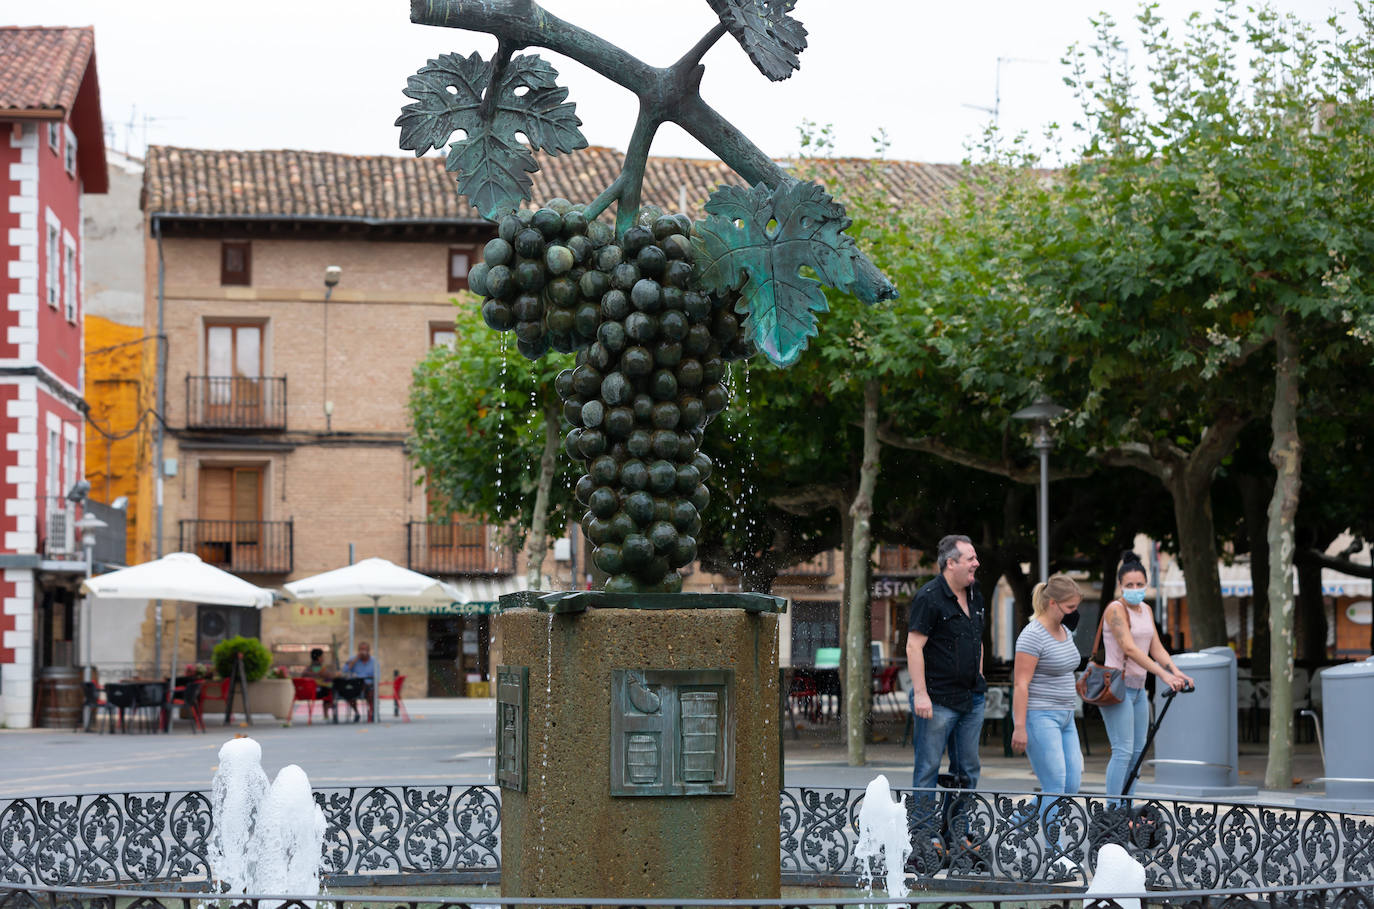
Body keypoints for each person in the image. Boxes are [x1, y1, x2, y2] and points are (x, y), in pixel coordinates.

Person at [1099, 551, 1194, 799]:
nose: (1135, 589)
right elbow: (1129, 647)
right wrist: (1163, 675)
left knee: (1139, 751)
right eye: (1129, 585)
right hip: (1117, 689)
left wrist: (1176, 671)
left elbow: (1156, 647)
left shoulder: (1146, 610)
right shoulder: (1115, 610)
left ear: (1146, 584)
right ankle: (1112, 811)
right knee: (1122, 751)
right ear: (1120, 585)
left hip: (1139, 688)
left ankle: (1126, 808)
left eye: (1140, 584)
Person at [906, 534, 987, 792]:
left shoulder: (976, 595)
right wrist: (920, 694)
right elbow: (913, 646)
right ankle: (923, 831)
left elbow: (977, 640)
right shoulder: (929, 597)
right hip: (937, 698)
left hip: (972, 696)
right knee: (928, 767)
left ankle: (957, 830)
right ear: (951, 563)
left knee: (968, 769)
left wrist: (980, 676)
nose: (977, 563)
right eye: (970, 558)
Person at [1011, 574, 1085, 849]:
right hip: (1040, 716)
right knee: (1055, 783)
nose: (1073, 613)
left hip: (1066, 716)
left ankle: (1016, 820)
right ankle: (1055, 852)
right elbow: (1020, 684)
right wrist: (1020, 726)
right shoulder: (1032, 636)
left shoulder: (1064, 631)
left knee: (1071, 784)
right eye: (1069, 608)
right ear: (1052, 603)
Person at [342, 641, 377, 722]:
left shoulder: (374, 662)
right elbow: (344, 671)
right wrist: (355, 660)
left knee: (371, 691)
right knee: (347, 690)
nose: (363, 651)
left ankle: (371, 711)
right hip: (355, 685)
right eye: (361, 649)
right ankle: (356, 712)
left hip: (368, 686)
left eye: (364, 649)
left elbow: (376, 677)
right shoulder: (353, 660)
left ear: (368, 650)